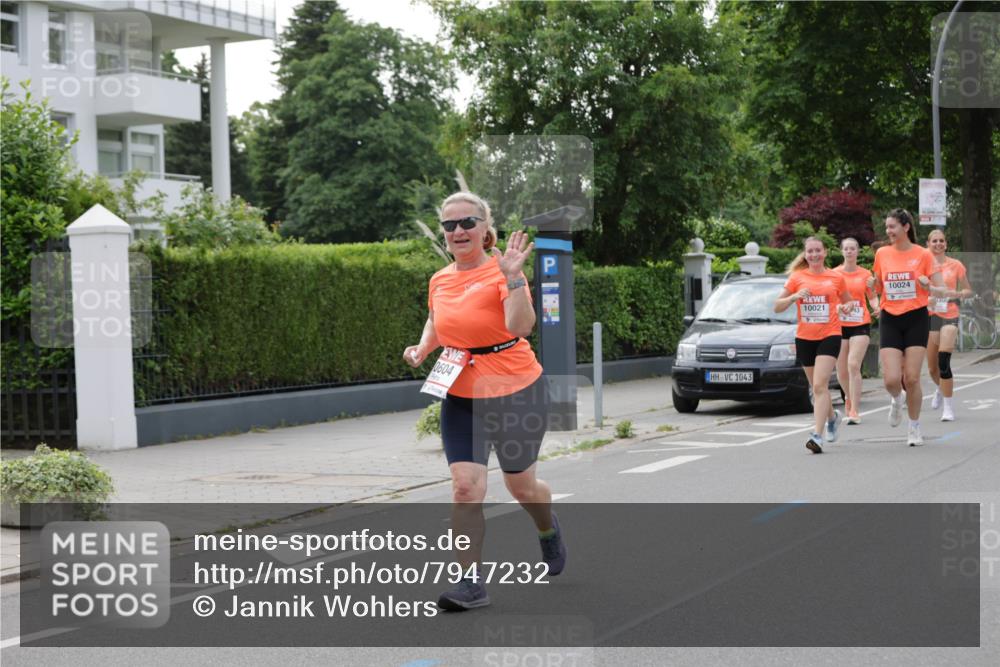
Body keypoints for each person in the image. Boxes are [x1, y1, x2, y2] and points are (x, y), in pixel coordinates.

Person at [403, 192, 566, 611]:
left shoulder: (503, 270)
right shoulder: (439, 278)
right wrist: (423, 348)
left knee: (522, 486)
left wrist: (513, 278)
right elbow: (437, 321)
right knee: (464, 487)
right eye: (449, 225)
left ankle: (547, 529)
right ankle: (470, 582)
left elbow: (522, 326)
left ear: (484, 228)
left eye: (467, 223)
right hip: (460, 394)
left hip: (516, 392)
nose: (458, 231)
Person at [867, 209, 945, 446]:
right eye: (887, 227)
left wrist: (928, 284)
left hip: (916, 317)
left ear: (906, 227)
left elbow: (941, 289)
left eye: (892, 227)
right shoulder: (882, 253)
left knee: (911, 378)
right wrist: (873, 284)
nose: (888, 231)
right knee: (891, 380)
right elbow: (879, 288)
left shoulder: (923, 254)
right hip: (890, 317)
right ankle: (896, 398)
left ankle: (914, 427)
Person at [775, 236, 854, 454]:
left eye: (818, 250)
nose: (814, 255)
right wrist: (794, 297)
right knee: (818, 388)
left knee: (820, 386)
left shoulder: (836, 278)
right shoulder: (797, 277)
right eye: (810, 251)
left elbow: (848, 301)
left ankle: (816, 436)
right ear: (805, 254)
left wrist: (846, 308)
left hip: (830, 335)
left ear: (825, 252)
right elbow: (777, 306)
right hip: (805, 338)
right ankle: (832, 417)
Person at [925, 228, 972, 422]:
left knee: (944, 361)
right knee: (932, 368)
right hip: (930, 316)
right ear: (928, 244)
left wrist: (959, 294)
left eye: (941, 241)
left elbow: (968, 289)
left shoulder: (956, 265)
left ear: (946, 244)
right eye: (934, 241)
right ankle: (939, 388)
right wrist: (928, 299)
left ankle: (948, 407)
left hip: (950, 314)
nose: (938, 244)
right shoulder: (923, 265)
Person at [834, 237, 879, 425]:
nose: (850, 251)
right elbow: (830, 298)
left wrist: (877, 307)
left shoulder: (865, 274)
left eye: (853, 248)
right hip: (839, 324)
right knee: (841, 370)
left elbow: (873, 296)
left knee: (853, 365)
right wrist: (838, 308)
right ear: (842, 251)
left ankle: (854, 411)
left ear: (858, 252)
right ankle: (849, 398)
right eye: (846, 248)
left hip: (860, 323)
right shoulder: (834, 274)